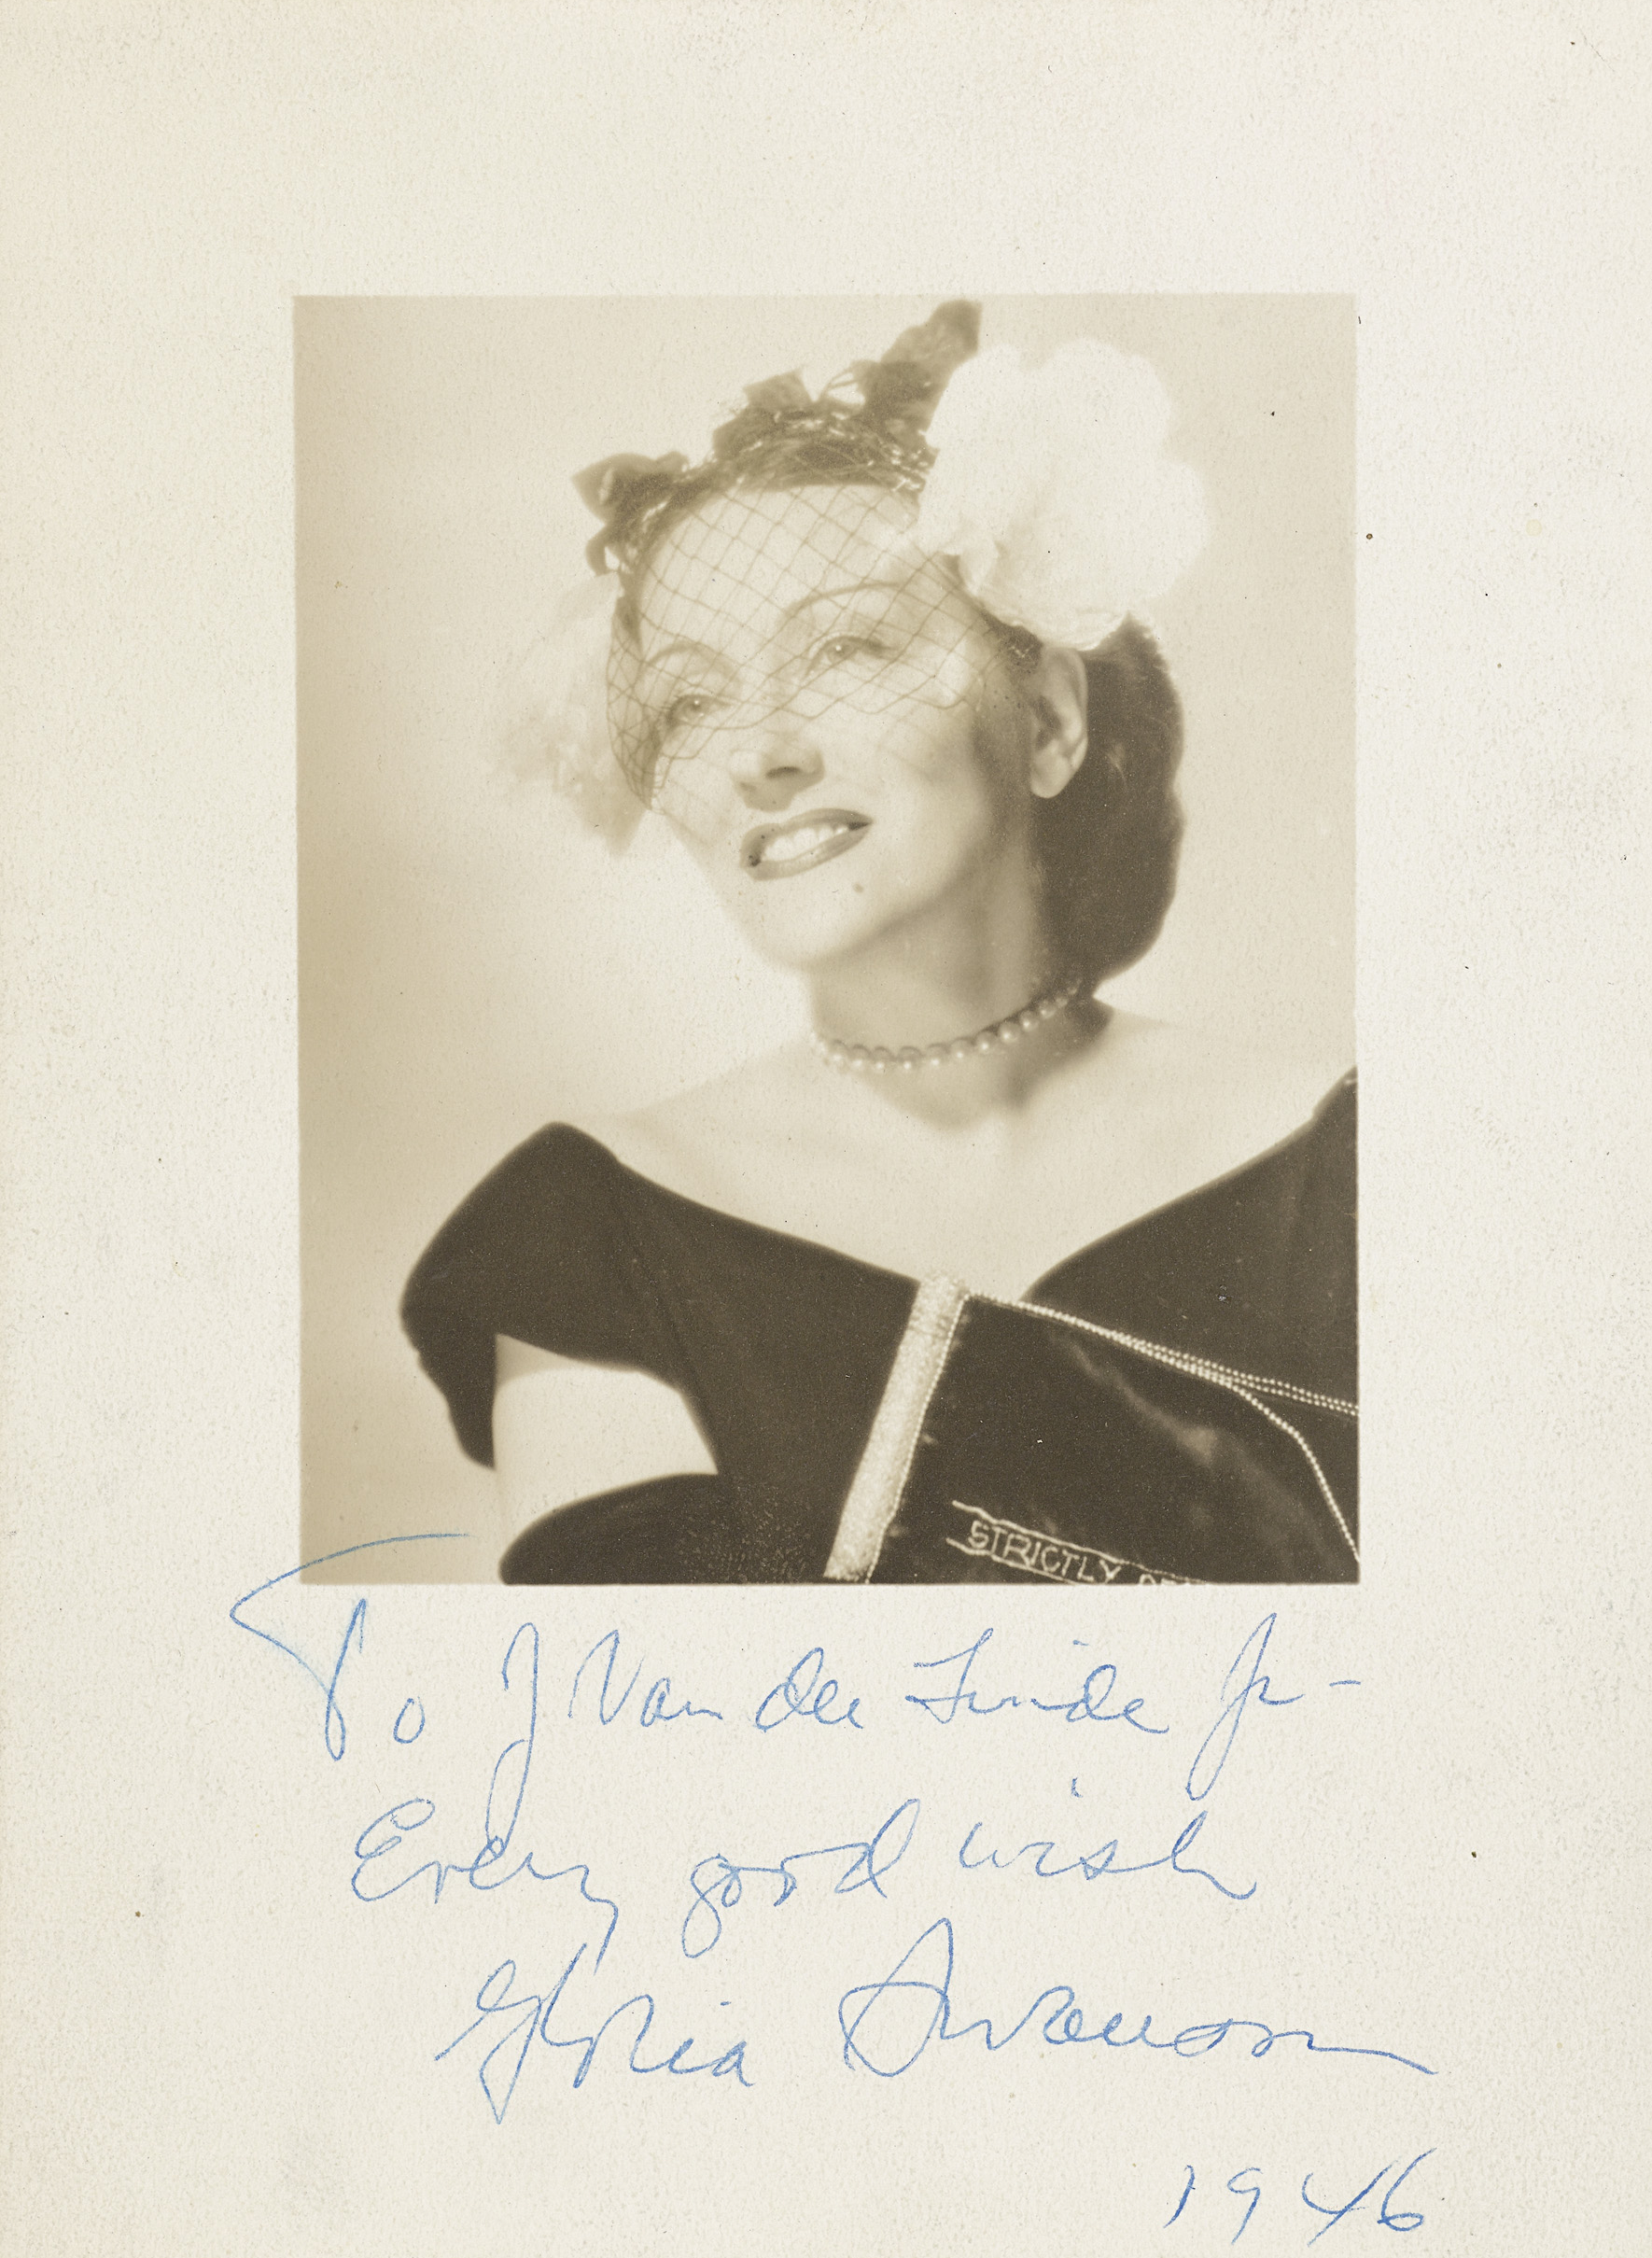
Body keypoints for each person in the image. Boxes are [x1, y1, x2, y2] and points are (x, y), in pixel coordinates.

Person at [402, 302, 1356, 1587]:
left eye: (846, 646)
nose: (759, 753)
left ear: (1048, 720)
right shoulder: (590, 1233)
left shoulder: (1341, 1161)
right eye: (688, 701)